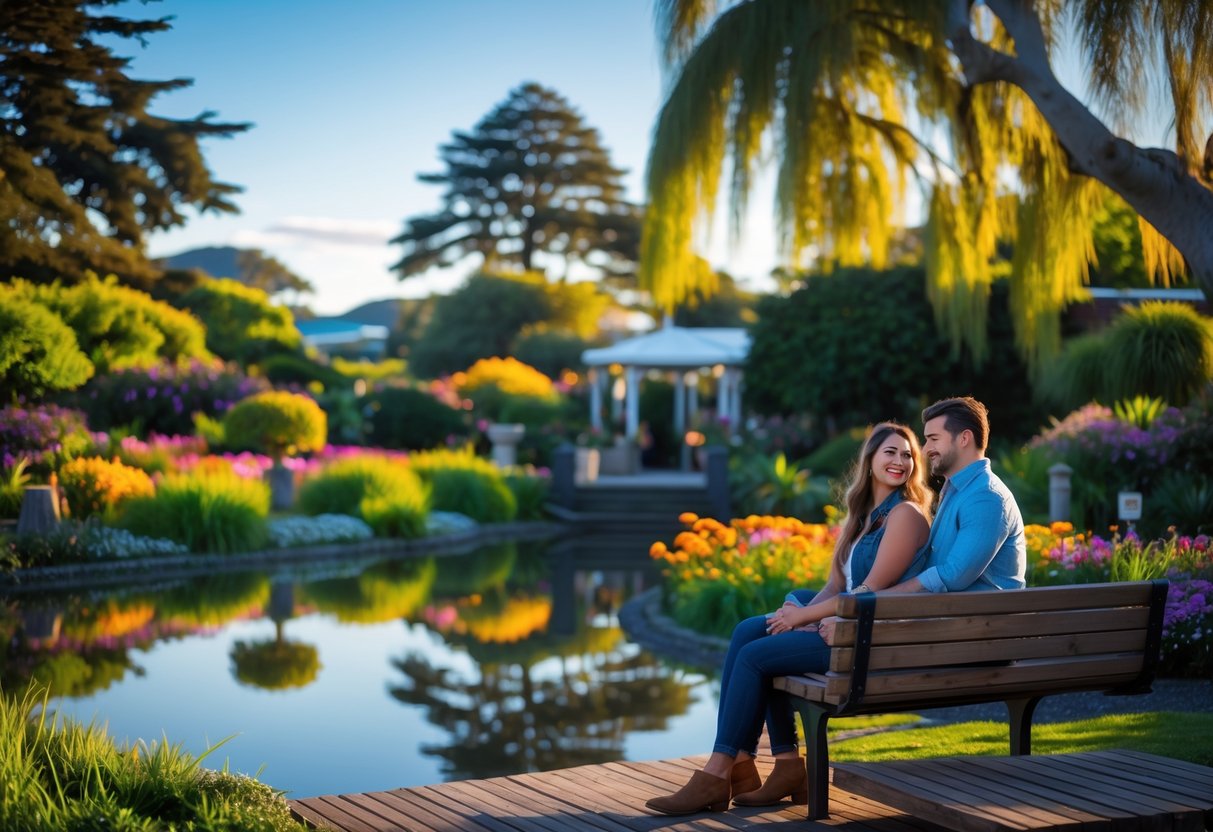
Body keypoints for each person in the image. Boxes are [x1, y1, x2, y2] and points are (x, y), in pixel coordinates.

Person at [644, 421, 933, 816]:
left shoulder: (906, 515)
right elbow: (836, 585)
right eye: (891, 452)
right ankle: (775, 766)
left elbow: (868, 592)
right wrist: (803, 613)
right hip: (843, 625)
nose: (900, 461)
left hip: (865, 638)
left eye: (908, 455)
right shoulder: (863, 516)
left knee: (754, 657)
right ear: (870, 460)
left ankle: (719, 772)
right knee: (748, 630)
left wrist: (804, 618)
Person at [817, 396, 1027, 645]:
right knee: (793, 606)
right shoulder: (956, 491)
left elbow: (952, 576)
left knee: (759, 656)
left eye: (933, 439)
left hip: (974, 639)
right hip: (943, 626)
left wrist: (860, 608)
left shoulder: (986, 497)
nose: (925, 450)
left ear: (964, 438)